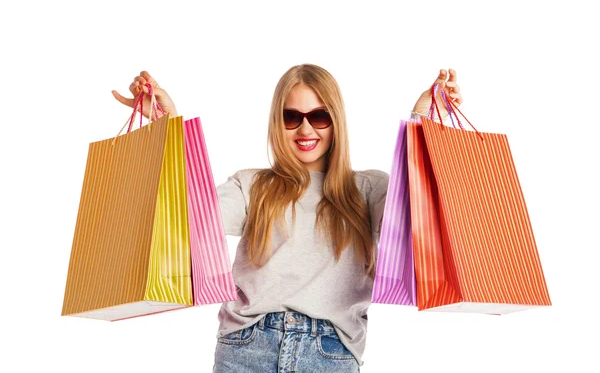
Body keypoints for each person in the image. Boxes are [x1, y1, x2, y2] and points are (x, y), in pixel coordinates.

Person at [112, 64, 462, 372]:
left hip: (330, 353)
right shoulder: (252, 185)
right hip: (246, 349)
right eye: (291, 117)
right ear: (277, 123)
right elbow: (189, 215)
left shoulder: (368, 188)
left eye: (319, 116)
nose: (305, 130)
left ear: (336, 121)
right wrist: (167, 127)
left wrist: (423, 125)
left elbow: (417, 218)